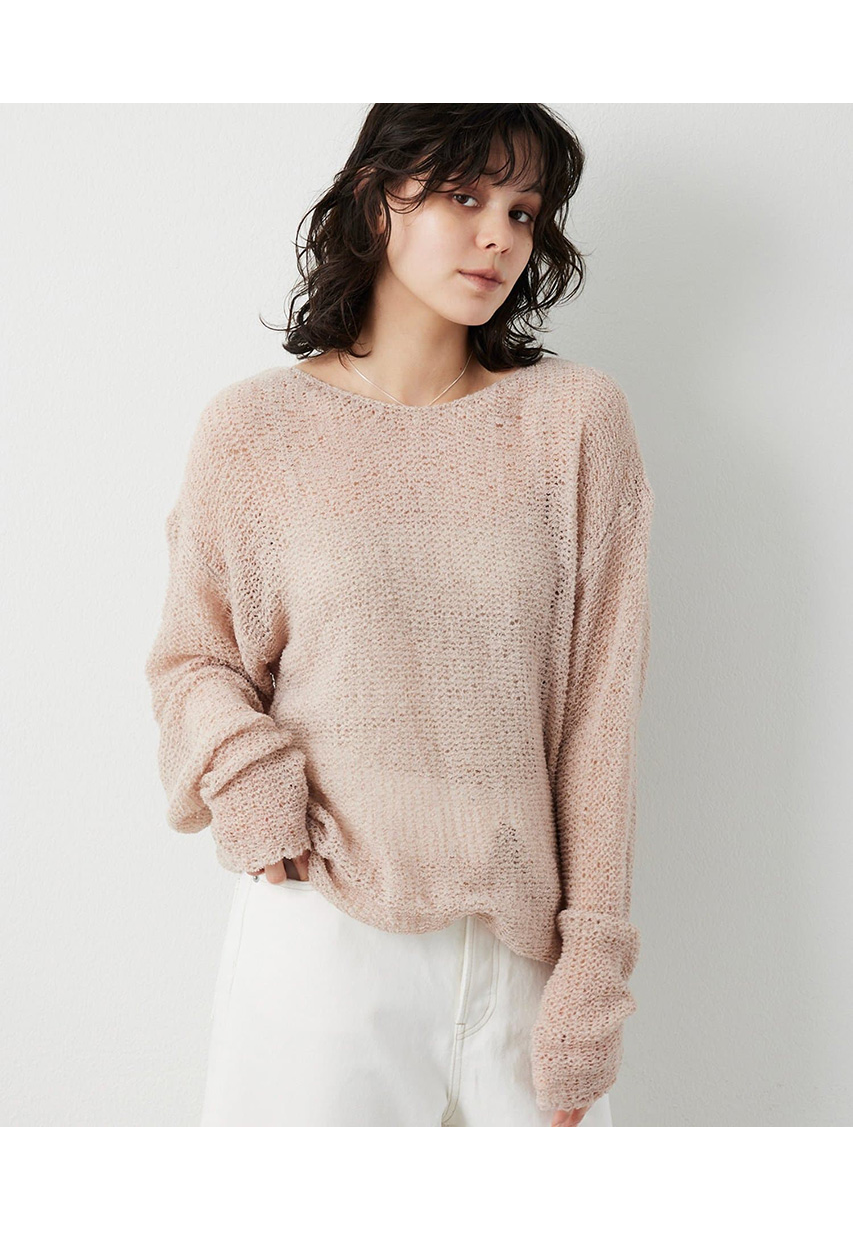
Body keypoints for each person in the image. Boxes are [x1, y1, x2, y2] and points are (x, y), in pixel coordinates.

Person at [144, 103, 655, 1127]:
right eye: (464, 196)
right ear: (378, 200)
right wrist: (251, 778)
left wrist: (593, 965)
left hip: (520, 959)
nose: (498, 236)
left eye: (522, 211)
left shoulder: (572, 422)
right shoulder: (255, 429)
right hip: (321, 935)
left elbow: (600, 712)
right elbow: (193, 657)